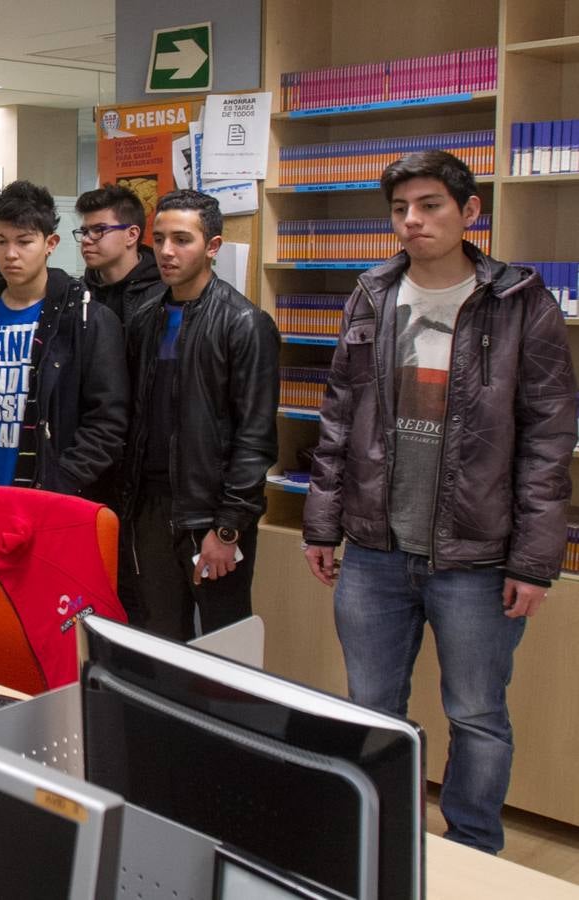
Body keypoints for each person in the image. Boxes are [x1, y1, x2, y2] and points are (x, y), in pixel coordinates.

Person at [302, 151, 576, 855]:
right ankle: (380, 843)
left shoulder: (520, 302)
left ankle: (472, 850)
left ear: (469, 211)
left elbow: (549, 439)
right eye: (400, 209)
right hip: (374, 549)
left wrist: (533, 562)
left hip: (477, 557)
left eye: (429, 206)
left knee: (477, 715)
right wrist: (322, 525)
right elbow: (338, 417)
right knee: (371, 709)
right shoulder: (371, 294)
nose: (412, 221)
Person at [118, 189, 278, 641]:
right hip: (150, 511)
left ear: (213, 246)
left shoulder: (245, 323)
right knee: (158, 641)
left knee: (223, 645)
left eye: (182, 239)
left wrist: (228, 529)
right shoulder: (144, 318)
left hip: (210, 516)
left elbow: (255, 439)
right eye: (159, 239)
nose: (167, 251)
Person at [0, 181, 127, 500]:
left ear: (50, 243)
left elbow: (107, 420)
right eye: (1, 241)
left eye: (24, 241)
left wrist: (62, 480)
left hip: (48, 495)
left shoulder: (85, 318)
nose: (10, 254)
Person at [75, 183, 160, 325]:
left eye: (98, 230)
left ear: (131, 235)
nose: (85, 240)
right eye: (84, 232)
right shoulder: (77, 294)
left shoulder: (162, 295)